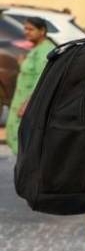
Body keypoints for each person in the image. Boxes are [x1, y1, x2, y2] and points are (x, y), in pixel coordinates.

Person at [6, 16, 56, 156]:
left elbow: (43, 79)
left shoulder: (46, 50)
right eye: (25, 29)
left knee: (27, 144)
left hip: (29, 104)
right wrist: (23, 63)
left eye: (30, 29)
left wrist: (29, 103)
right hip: (21, 102)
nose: (26, 32)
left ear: (42, 31)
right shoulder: (36, 48)